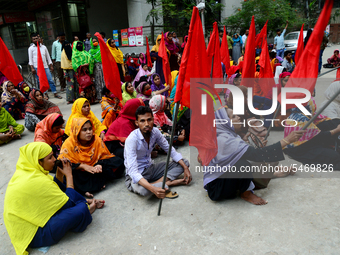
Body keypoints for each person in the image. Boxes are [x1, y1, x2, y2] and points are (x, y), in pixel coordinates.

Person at [3, 142, 104, 255]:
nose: (54, 159)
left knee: (71, 197)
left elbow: (54, 194)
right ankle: (87, 209)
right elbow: (69, 202)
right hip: (34, 233)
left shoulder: (27, 172)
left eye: (53, 155)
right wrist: (69, 176)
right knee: (80, 209)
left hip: (28, 223)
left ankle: (85, 205)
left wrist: (60, 174)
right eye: (49, 157)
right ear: (38, 162)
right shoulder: (37, 181)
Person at [203, 107, 304, 204]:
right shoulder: (225, 140)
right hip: (217, 189)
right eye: (233, 116)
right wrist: (287, 140)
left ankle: (273, 174)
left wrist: (256, 147)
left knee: (249, 162)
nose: (238, 117)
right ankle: (246, 194)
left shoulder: (225, 134)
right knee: (243, 165)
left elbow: (244, 153)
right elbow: (256, 155)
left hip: (223, 177)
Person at [124, 106, 191, 198]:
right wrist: (153, 189)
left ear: (153, 119)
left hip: (151, 168)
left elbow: (169, 149)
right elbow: (133, 172)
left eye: (149, 120)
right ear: (137, 123)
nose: (147, 124)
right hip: (137, 173)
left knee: (184, 163)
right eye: (142, 121)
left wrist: (185, 168)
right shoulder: (132, 139)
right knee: (144, 191)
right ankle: (167, 183)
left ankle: (158, 184)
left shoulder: (155, 132)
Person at [59, 118, 125, 195]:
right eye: (84, 130)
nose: (89, 132)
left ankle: (89, 187)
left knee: (118, 162)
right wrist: (82, 166)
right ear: (77, 131)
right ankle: (91, 186)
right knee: (70, 177)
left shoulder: (96, 139)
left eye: (90, 129)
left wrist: (99, 164)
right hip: (80, 172)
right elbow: (62, 163)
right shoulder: (69, 144)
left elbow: (105, 156)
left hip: (95, 168)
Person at [283, 98, 340, 168]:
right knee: (335, 156)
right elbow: (320, 136)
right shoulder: (303, 120)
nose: (314, 106)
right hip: (301, 149)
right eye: (312, 104)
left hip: (296, 145)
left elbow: (321, 120)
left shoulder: (295, 114)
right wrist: (336, 130)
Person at [28, 33, 62, 99]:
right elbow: (30, 59)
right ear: (32, 40)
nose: (36, 40)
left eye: (36, 38)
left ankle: (55, 93)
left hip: (45, 66)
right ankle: (44, 94)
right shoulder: (30, 49)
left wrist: (51, 65)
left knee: (50, 80)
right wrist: (32, 68)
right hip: (37, 67)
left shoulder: (44, 47)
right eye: (34, 39)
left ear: (39, 38)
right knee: (40, 81)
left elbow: (48, 57)